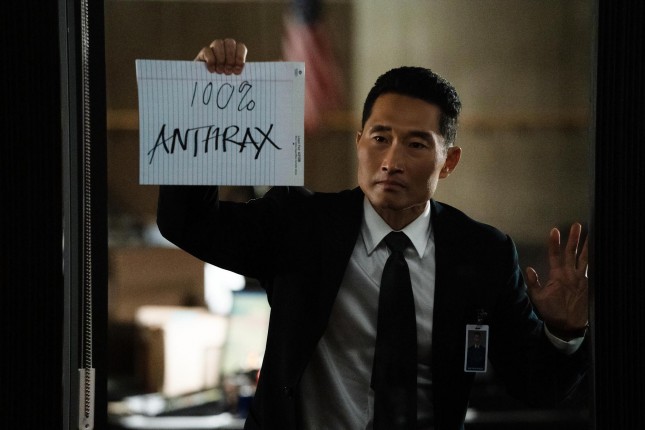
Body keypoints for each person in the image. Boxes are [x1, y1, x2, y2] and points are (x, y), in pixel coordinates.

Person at [157, 38, 589, 430]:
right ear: (359, 141)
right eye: (380, 138)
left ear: (449, 161)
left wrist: (562, 332)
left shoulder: (482, 253)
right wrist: (199, 105)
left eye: (416, 144)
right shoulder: (300, 224)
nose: (391, 161)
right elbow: (187, 222)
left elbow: (536, 388)